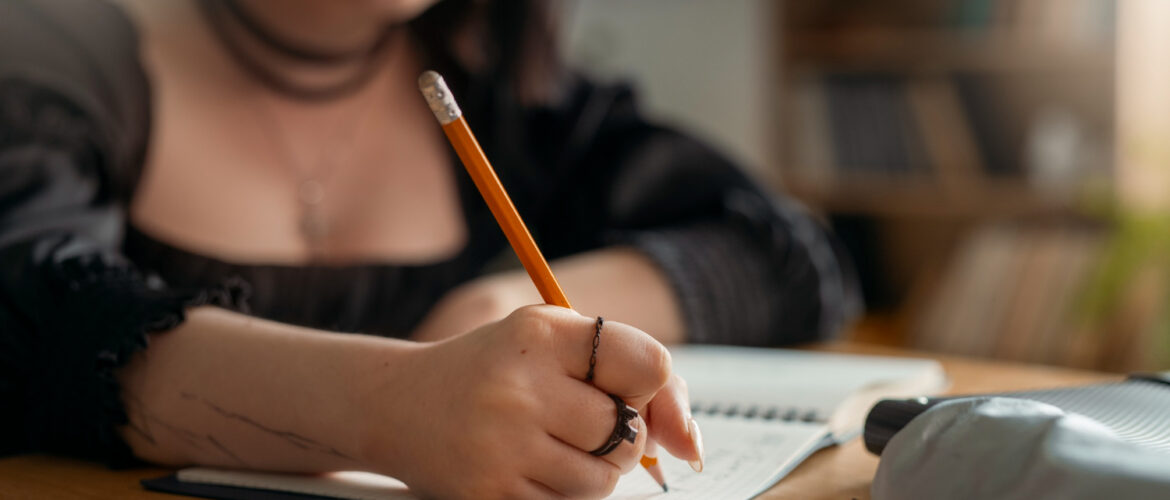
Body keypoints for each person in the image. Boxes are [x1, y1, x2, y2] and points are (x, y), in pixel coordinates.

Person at [0, 0, 858, 498]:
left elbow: (788, 252)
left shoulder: (509, 88)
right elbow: (33, 323)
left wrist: (501, 313)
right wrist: (394, 404)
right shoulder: (54, 52)